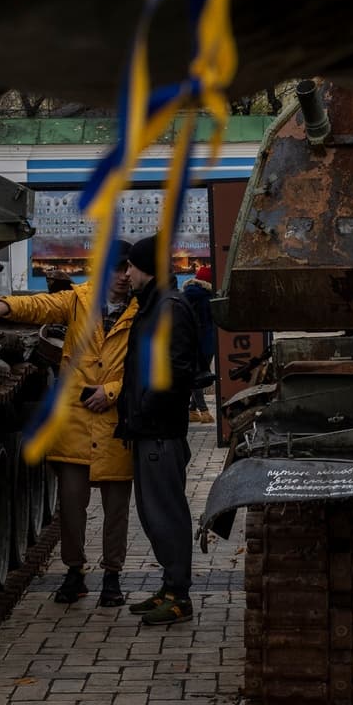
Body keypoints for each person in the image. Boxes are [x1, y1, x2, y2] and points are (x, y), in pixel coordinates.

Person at [0, 244, 136, 607]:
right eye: (118, 268)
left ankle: (112, 576)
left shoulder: (142, 312)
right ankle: (74, 573)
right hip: (75, 423)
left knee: (116, 510)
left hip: (115, 424)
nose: (124, 276)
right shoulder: (78, 300)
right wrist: (3, 306)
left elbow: (146, 370)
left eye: (129, 269)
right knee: (72, 508)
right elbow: (41, 306)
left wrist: (112, 392)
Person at [115, 236, 200, 626]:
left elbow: (175, 373)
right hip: (147, 429)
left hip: (159, 432)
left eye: (131, 266)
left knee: (166, 514)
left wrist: (146, 412)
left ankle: (179, 597)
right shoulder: (153, 306)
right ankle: (169, 588)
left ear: (146, 267)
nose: (126, 273)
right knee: (152, 515)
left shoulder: (168, 308)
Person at [181, 263, 219, 424]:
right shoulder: (207, 298)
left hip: (190, 341)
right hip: (205, 342)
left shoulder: (188, 295)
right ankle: (203, 411)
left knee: (198, 375)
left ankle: (191, 410)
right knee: (199, 376)